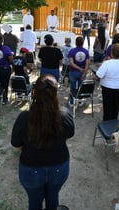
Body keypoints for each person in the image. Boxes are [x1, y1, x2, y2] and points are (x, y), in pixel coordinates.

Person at [11, 74, 74, 210]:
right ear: (55, 92)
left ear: (35, 92)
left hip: (31, 168)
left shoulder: (24, 118)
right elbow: (69, 136)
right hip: (59, 167)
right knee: (53, 197)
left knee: (34, 201)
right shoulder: (65, 115)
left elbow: (16, 145)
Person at [96, 44, 119, 121]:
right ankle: (114, 120)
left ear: (111, 53)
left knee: (107, 104)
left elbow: (99, 75)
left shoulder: (106, 63)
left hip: (107, 87)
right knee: (115, 104)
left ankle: (106, 121)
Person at [68, 36, 90, 105]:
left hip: (73, 71)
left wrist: (78, 68)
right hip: (82, 72)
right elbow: (87, 63)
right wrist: (84, 72)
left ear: (75, 43)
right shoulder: (86, 51)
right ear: (83, 43)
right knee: (81, 87)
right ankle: (80, 100)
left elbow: (71, 63)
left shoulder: (72, 51)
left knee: (73, 87)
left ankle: (72, 101)